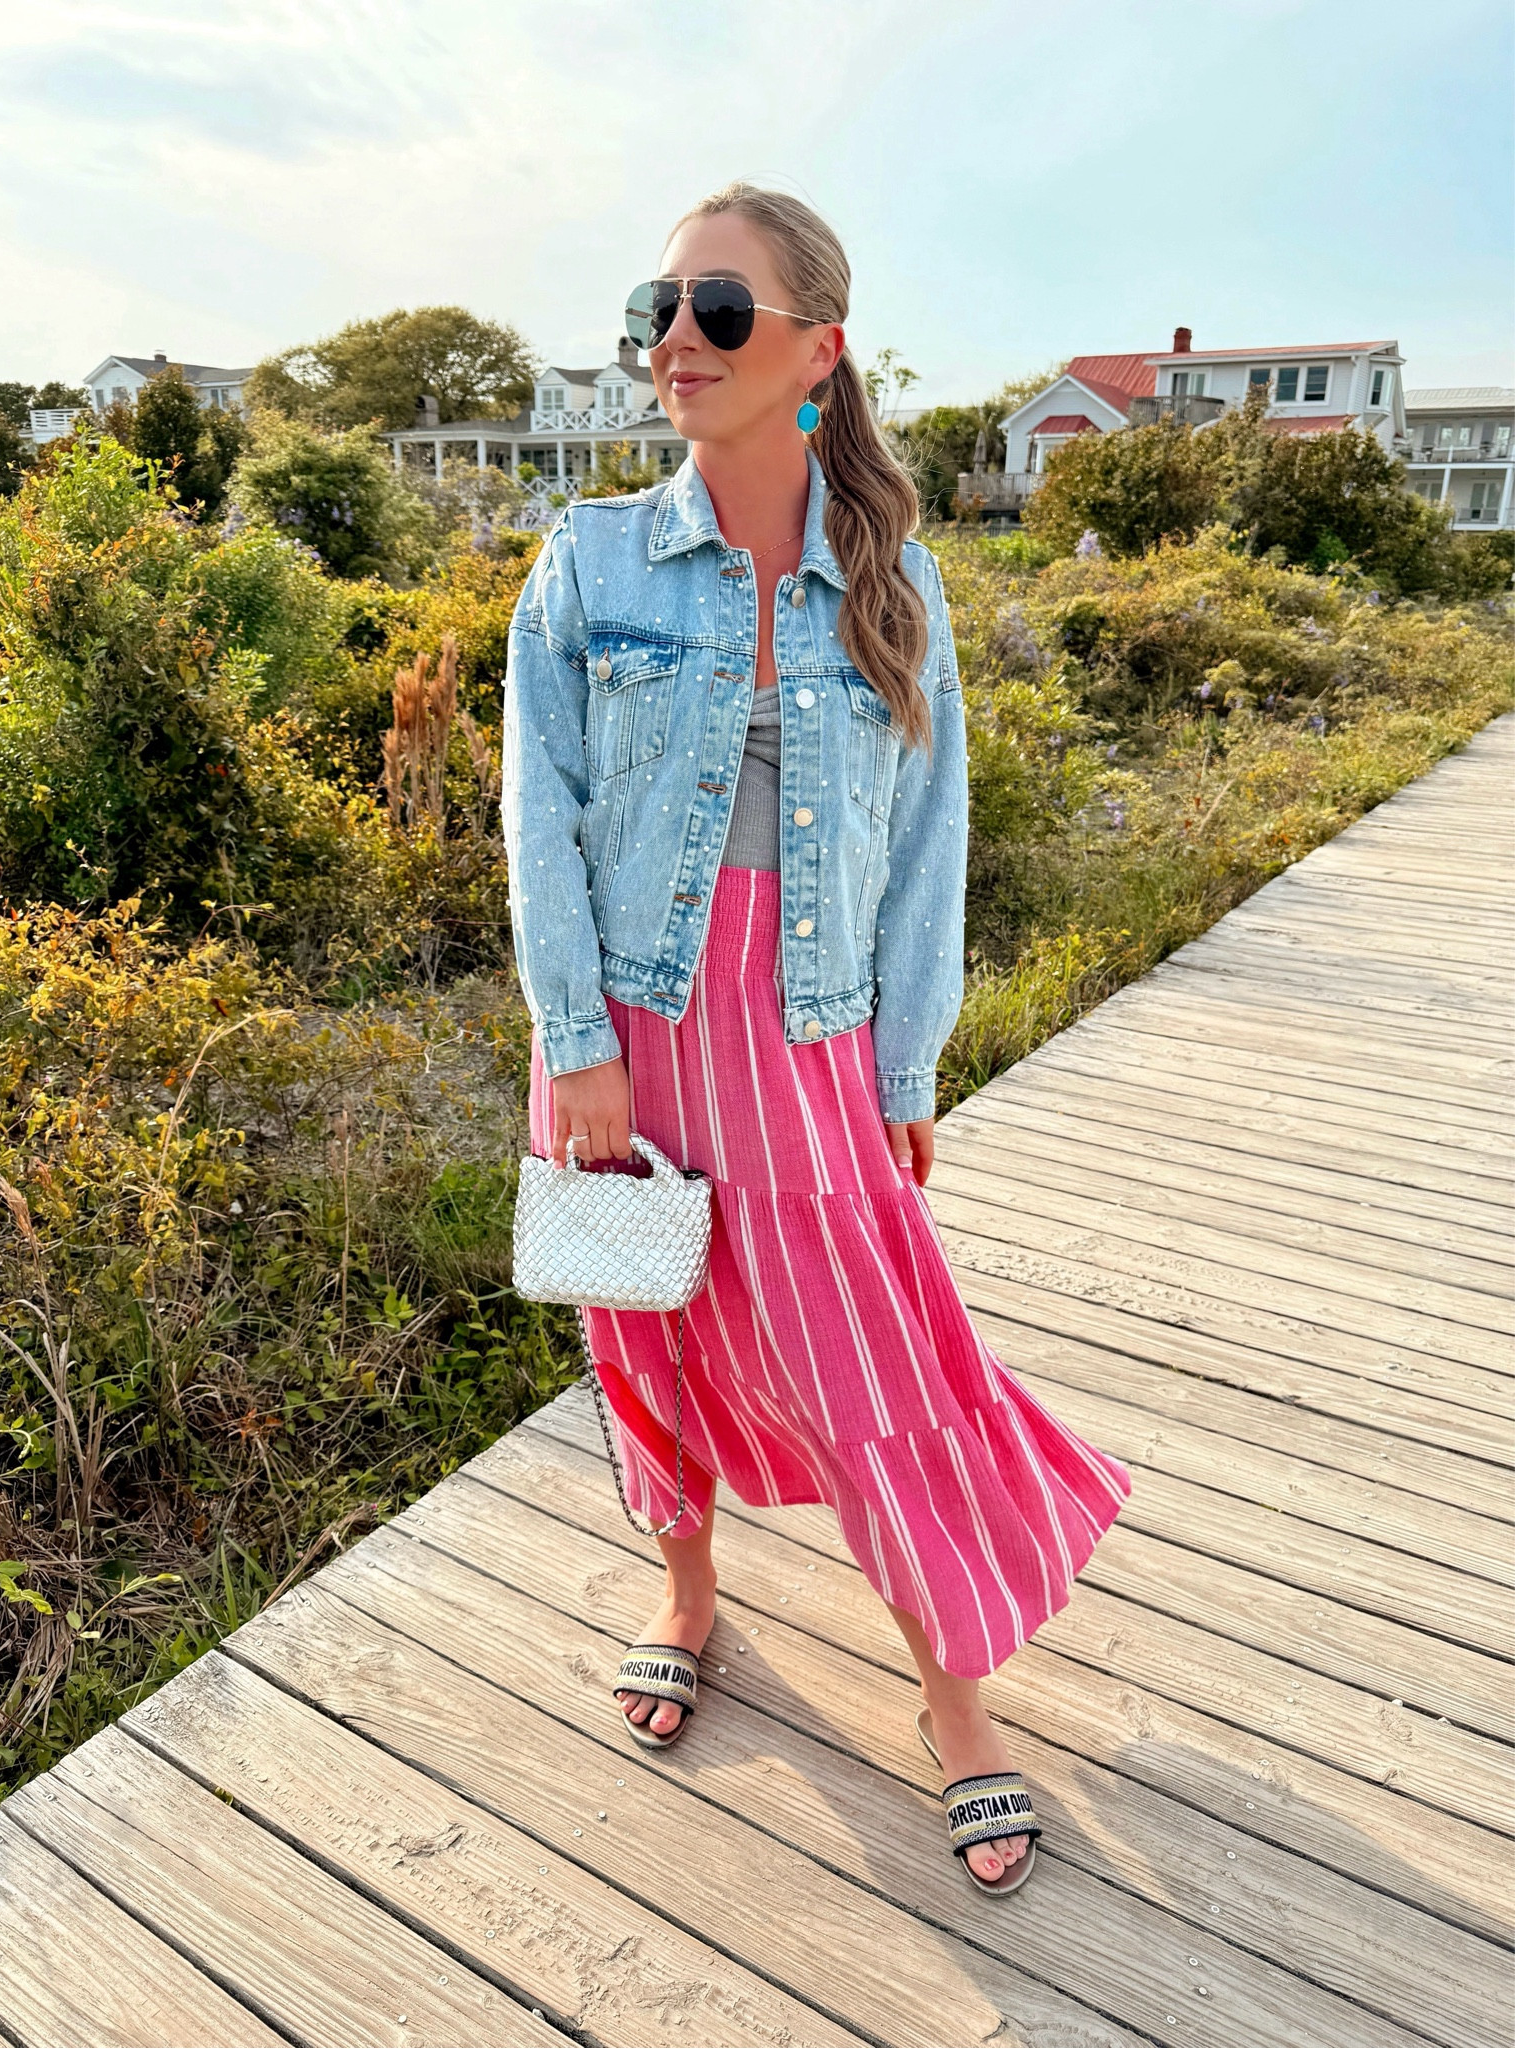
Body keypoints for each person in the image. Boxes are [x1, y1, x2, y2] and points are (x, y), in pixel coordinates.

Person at [501, 181, 1129, 1896]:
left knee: (879, 1352)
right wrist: (576, 1042)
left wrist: (908, 1066)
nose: (673, 339)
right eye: (660, 305)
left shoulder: (893, 574)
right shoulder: (593, 562)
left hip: (811, 1029)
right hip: (627, 1014)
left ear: (818, 350)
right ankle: (688, 1599)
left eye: (718, 307)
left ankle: (957, 1699)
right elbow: (533, 815)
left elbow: (931, 846)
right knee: (650, 1327)